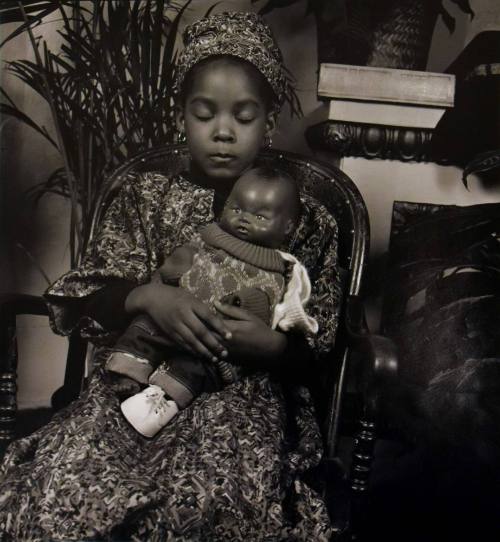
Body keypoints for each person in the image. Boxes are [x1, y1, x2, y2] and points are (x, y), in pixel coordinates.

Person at [0, 11, 341, 540]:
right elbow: (88, 296)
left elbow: (324, 338)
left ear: (270, 122)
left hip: (243, 402)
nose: (223, 132)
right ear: (181, 116)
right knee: (64, 489)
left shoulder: (308, 218)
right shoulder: (144, 198)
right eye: (204, 114)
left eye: (244, 117)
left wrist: (273, 347)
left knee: (211, 499)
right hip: (133, 380)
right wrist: (150, 298)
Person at [106, 166, 319, 437]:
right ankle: (128, 369)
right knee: (145, 326)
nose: (243, 220)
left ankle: (162, 397)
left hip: (220, 343)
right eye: (236, 209)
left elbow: (279, 310)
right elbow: (185, 258)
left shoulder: (283, 271)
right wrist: (166, 277)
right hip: (172, 318)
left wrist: (267, 334)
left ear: (288, 226)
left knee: (199, 368)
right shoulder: (209, 238)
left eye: (259, 216)